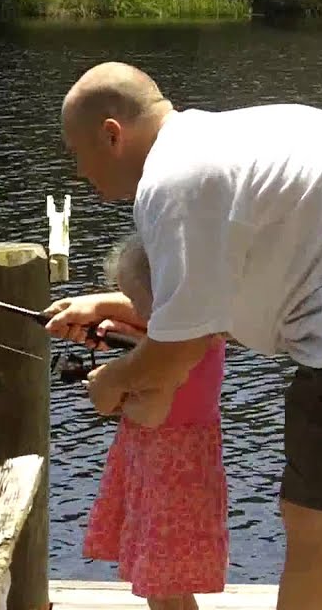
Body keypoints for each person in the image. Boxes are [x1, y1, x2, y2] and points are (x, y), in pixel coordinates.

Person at [44, 61, 322, 610]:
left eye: (77, 153)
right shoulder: (220, 141)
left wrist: (113, 381)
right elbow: (209, 302)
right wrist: (115, 305)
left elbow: (177, 352)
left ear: (111, 135)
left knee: (315, 519)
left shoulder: (171, 181)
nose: (79, 174)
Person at [81, 232, 229, 610]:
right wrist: (106, 316)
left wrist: (110, 389)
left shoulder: (165, 355)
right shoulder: (206, 331)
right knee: (172, 584)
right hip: (187, 463)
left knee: (160, 588)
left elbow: (151, 410)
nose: (134, 310)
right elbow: (153, 334)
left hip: (166, 471)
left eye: (137, 302)